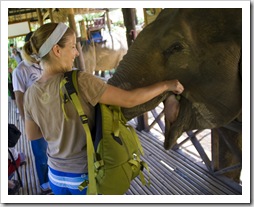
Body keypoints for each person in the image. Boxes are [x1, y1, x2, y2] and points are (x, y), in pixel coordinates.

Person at [22, 22, 184, 195]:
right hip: (85, 176)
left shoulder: (30, 94)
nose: (76, 52)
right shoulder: (80, 81)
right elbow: (130, 100)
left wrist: (57, 126)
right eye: (71, 46)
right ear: (56, 50)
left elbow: (33, 135)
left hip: (55, 175)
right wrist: (167, 85)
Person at [12, 31, 52, 195]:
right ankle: (44, 183)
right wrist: (25, 120)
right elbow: (19, 98)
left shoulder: (46, 63)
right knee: (40, 153)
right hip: (35, 118)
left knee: (55, 150)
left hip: (53, 115)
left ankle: (55, 179)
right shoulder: (20, 70)